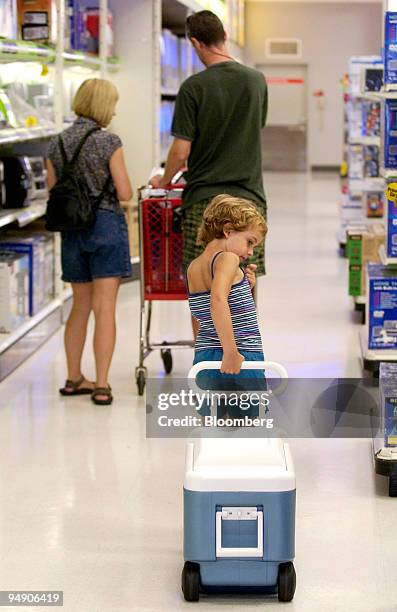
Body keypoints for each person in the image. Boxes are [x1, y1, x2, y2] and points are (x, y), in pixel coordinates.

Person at [150, 10, 267, 294]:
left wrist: (164, 181)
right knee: (244, 281)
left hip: (206, 202)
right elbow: (254, 129)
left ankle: (205, 341)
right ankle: (244, 338)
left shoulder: (193, 87)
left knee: (203, 283)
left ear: (195, 43)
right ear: (225, 36)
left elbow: (180, 151)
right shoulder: (256, 81)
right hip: (248, 198)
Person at [47, 78, 133, 406]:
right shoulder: (108, 141)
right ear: (103, 106)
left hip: (72, 232)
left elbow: (55, 190)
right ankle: (101, 384)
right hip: (106, 227)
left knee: (79, 306)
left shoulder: (57, 143)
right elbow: (124, 192)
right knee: (105, 307)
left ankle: (72, 378)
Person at [186, 194, 267, 418]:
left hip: (205, 355)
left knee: (215, 423)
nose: (250, 252)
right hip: (239, 354)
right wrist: (231, 353)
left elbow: (205, 308)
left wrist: (244, 284)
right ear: (228, 231)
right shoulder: (228, 259)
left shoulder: (193, 266)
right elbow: (218, 301)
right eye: (249, 241)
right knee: (248, 426)